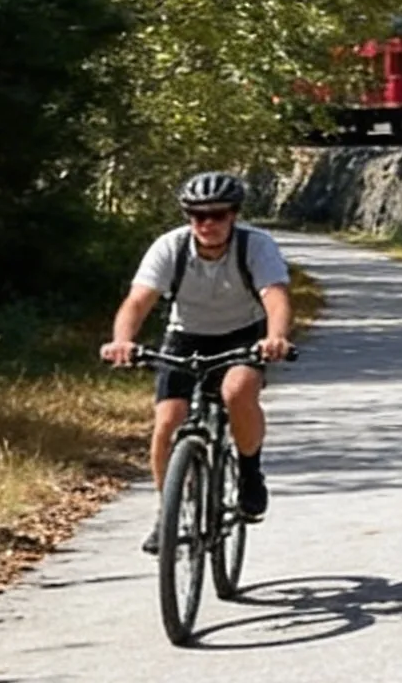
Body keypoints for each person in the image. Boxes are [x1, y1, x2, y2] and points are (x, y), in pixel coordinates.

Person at [101, 170, 295, 553]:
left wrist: (276, 338)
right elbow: (138, 301)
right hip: (185, 334)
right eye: (197, 216)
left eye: (218, 215)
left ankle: (250, 472)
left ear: (234, 215)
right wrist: (122, 341)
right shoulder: (169, 247)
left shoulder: (255, 246)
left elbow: (275, 296)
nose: (207, 224)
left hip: (243, 333)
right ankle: (168, 511)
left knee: (237, 391)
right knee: (167, 423)